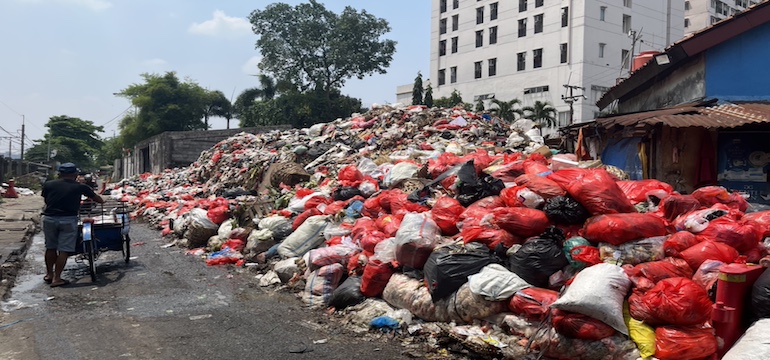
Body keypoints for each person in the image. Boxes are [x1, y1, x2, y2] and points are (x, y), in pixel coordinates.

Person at [41, 162, 104, 287]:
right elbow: (98, 199)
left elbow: (47, 200)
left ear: (59, 174)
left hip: (49, 218)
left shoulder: (48, 184)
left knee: (50, 247)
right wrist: (102, 200)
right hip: (68, 219)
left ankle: (49, 275)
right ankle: (57, 278)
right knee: (64, 250)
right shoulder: (80, 187)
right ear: (75, 174)